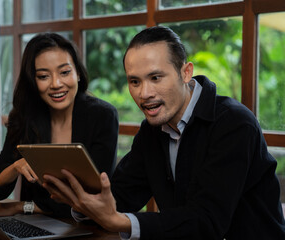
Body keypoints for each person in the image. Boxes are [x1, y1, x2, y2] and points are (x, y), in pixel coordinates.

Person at [42, 26, 285, 239]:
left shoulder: (234, 123)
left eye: (155, 77)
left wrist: (119, 221)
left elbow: (207, 222)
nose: (144, 93)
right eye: (134, 81)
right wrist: (81, 202)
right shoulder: (152, 130)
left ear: (185, 72)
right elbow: (122, 196)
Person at [0, 33, 119, 218]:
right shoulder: (25, 117)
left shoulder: (102, 116)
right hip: (35, 227)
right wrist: (15, 167)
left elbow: (94, 198)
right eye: (43, 76)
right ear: (33, 81)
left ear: (77, 73)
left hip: (89, 228)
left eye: (64, 72)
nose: (56, 84)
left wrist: (20, 207)